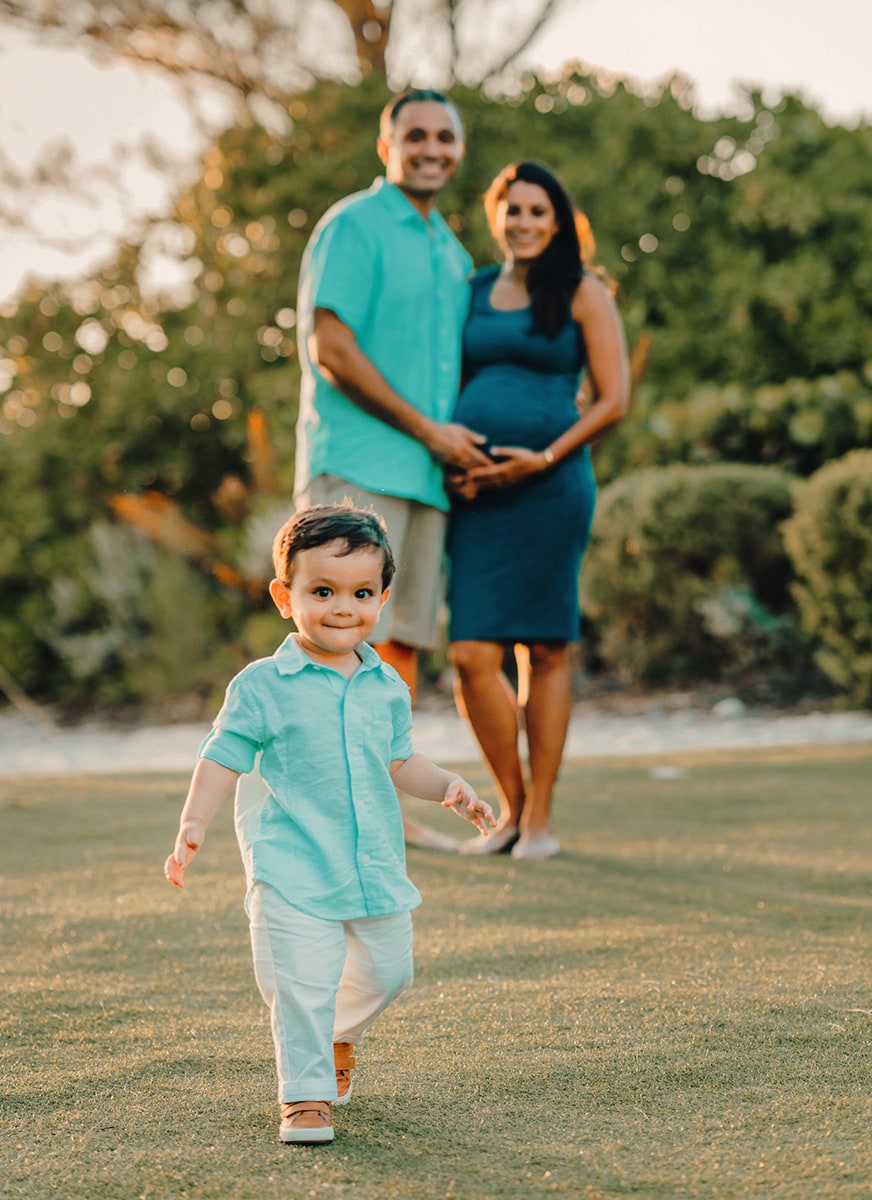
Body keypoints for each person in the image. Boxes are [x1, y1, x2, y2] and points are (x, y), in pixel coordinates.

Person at [163, 503, 495, 1145]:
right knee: (297, 982)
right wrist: (193, 822)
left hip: (370, 863)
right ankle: (306, 1098)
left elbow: (401, 761)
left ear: (382, 599)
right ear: (285, 598)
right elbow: (222, 756)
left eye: (361, 593)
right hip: (290, 865)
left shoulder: (385, 685)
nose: (343, 607)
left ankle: (338, 1034)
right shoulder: (262, 685)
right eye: (323, 591)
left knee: (391, 969)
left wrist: (451, 788)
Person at [294, 87, 491, 850]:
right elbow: (331, 349)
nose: (431, 147)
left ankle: (380, 811)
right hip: (357, 465)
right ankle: (324, 812)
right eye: (416, 134)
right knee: (333, 642)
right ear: (388, 144)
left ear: (459, 149)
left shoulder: (454, 253)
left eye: (446, 136)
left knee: (395, 645)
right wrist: (427, 430)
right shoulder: (353, 225)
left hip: (428, 477)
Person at [446, 161, 631, 861]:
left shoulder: (583, 292)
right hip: (478, 495)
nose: (523, 223)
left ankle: (542, 820)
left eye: (537, 212)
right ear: (496, 216)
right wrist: (454, 462)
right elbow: (445, 383)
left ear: (558, 222)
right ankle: (513, 811)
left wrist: (544, 457)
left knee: (546, 650)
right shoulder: (467, 293)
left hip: (551, 489)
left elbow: (614, 399)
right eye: (512, 210)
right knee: (470, 655)